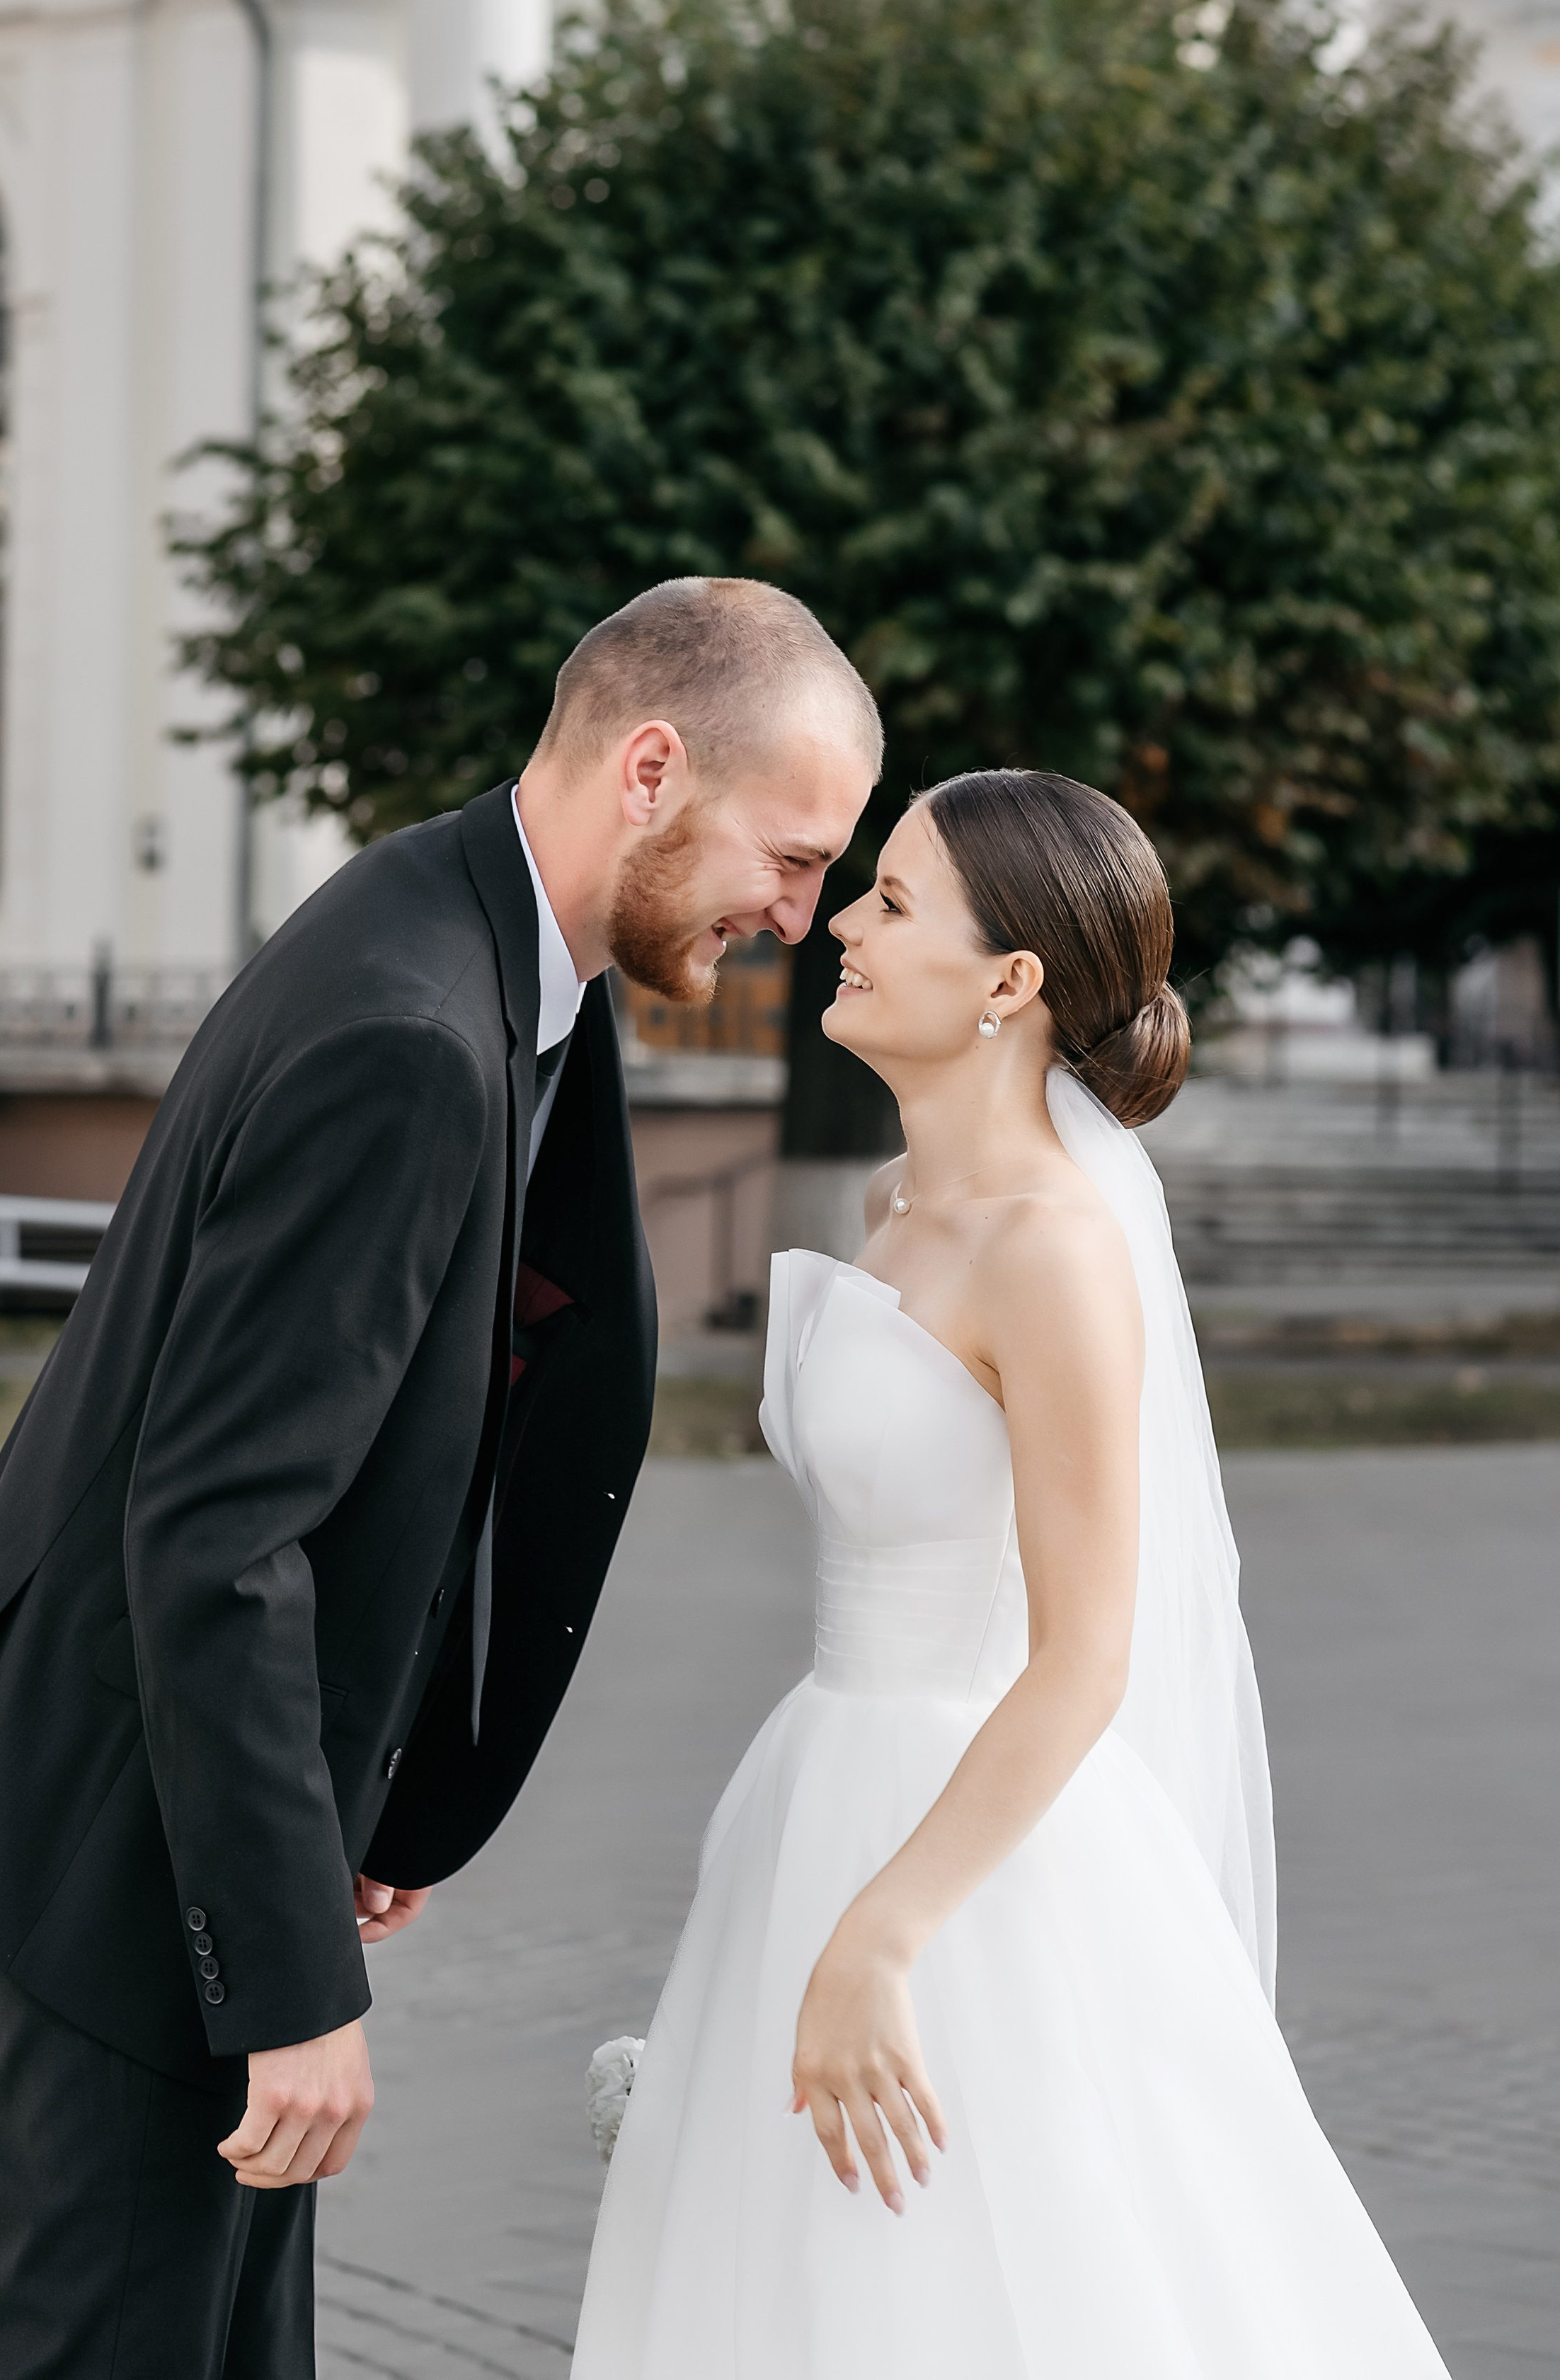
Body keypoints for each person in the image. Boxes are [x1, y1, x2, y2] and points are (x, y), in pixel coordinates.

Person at [0, 577, 881, 2380]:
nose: (798, 918)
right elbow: (215, 1528)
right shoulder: (412, 1036)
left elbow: (406, 1422)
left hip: (183, 1811)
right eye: (794, 858)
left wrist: (370, 1766)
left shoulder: (481, 943)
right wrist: (283, 1984)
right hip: (124, 1861)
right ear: (651, 766)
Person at [575, 767, 1454, 2378]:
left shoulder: (1051, 1249)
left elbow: (1084, 1655)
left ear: (1010, 983)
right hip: (812, 1782)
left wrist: (879, 1935)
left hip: (973, 1852)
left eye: (891, 903)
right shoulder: (889, 1204)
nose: (838, 921)